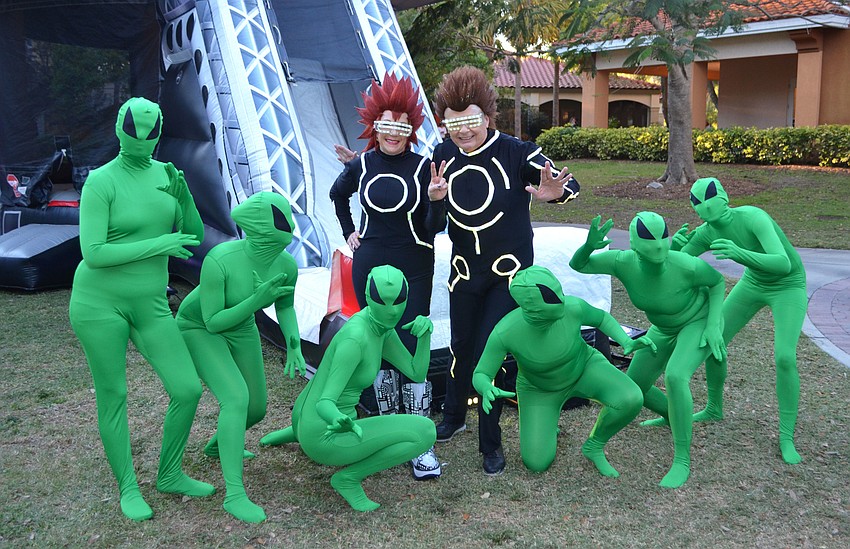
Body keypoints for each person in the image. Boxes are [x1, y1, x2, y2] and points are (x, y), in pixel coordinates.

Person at [429, 66, 580, 475]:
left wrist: (555, 193)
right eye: (453, 122)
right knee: (460, 347)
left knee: (487, 355)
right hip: (463, 273)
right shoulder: (442, 156)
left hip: (507, 277)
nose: (463, 131)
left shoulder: (517, 151)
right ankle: (454, 414)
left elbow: (570, 184)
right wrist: (436, 200)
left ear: (488, 117)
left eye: (471, 120)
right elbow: (435, 221)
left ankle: (490, 444)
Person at [68, 97, 213, 521]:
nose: (143, 139)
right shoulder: (101, 181)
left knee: (187, 388)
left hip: (150, 302)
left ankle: (169, 473)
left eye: (152, 132)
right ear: (120, 129)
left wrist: (183, 195)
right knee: (114, 394)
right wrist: (159, 244)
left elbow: (192, 235)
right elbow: (93, 252)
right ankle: (128, 487)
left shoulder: (164, 175)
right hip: (98, 302)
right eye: (136, 130)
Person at [328, 73, 446, 480]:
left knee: (412, 342)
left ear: (411, 128)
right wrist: (349, 231)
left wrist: (435, 200)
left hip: (415, 263)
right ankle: (386, 429)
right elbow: (336, 194)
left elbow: (434, 228)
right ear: (374, 126)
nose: (393, 133)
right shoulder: (361, 164)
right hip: (371, 263)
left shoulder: (423, 167)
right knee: (375, 345)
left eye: (402, 125)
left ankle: (421, 443)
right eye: (386, 124)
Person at [260, 265, 436, 512]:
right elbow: (325, 402)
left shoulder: (379, 327)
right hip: (327, 432)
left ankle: (295, 432)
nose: (392, 310)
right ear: (368, 296)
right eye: (382, 301)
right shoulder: (356, 338)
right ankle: (349, 478)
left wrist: (425, 336)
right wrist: (339, 419)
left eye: (398, 301)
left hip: (304, 416)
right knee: (426, 432)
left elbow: (416, 372)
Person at [175, 191, 305, 523]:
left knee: (256, 407)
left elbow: (285, 305)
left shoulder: (286, 265)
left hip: (241, 325)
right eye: (280, 225)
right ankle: (234, 495)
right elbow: (213, 320)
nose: (288, 230)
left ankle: (219, 445)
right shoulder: (220, 259)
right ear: (260, 229)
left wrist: (294, 345)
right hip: (200, 327)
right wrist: (256, 299)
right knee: (236, 399)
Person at [570, 212, 726, 488]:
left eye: (662, 238)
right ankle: (663, 417)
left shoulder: (685, 265)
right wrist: (588, 246)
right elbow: (579, 265)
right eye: (648, 239)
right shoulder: (623, 262)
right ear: (633, 242)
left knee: (676, 376)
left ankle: (682, 459)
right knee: (633, 387)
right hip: (662, 328)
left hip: (695, 320)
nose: (658, 246)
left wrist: (714, 324)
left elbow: (716, 282)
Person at [472, 266, 654, 477]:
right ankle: (547, 426)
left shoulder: (571, 307)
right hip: (539, 390)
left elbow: (601, 318)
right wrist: (485, 387)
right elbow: (481, 373)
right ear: (531, 308)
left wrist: (625, 341)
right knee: (536, 463)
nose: (561, 304)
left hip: (585, 368)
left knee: (630, 398)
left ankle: (594, 445)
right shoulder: (506, 331)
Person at [673, 177, 807, 464]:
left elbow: (782, 262)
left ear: (723, 196)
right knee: (713, 336)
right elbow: (674, 265)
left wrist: (739, 253)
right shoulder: (706, 232)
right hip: (753, 283)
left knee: (785, 357)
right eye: (700, 205)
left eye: (711, 200)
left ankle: (786, 436)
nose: (707, 208)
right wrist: (674, 245)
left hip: (789, 285)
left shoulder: (754, 217)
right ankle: (713, 407)